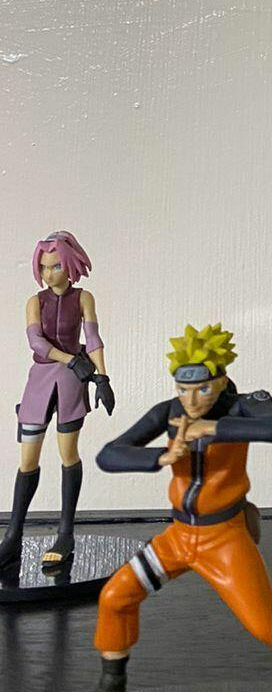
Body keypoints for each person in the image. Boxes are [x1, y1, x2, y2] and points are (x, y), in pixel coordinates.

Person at [90, 323, 272, 691]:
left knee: (264, 623)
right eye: (183, 389)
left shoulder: (244, 406)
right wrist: (162, 456)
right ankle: (111, 680)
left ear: (222, 380)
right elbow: (109, 455)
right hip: (179, 538)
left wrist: (212, 429)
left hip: (224, 539)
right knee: (115, 596)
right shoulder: (168, 412)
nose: (192, 400)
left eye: (203, 389)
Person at [0, 230, 113, 571]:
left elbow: (93, 338)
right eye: (44, 267)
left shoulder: (84, 298)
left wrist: (102, 377)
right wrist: (72, 360)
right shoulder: (35, 302)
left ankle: (65, 534)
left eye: (56, 266)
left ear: (70, 265)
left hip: (70, 384)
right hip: (40, 380)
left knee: (68, 454)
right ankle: (13, 536)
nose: (50, 273)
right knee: (28, 459)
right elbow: (36, 342)